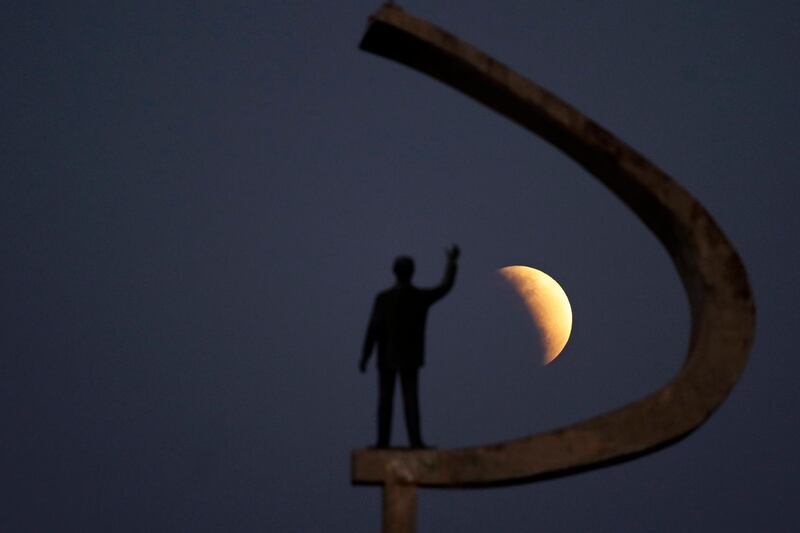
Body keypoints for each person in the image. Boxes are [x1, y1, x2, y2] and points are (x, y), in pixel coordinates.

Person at [359, 245, 460, 448]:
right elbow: (444, 287)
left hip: (389, 357)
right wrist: (452, 263)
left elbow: (372, 330)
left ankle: (384, 443)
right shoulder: (415, 298)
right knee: (407, 401)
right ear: (411, 272)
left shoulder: (385, 298)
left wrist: (365, 356)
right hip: (403, 357)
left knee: (389, 401)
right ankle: (411, 442)